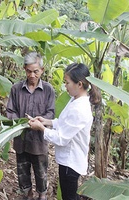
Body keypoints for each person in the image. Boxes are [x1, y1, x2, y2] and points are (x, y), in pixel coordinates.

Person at [28, 63, 101, 200]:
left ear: (79, 84)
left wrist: (41, 128)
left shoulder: (79, 109)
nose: (65, 86)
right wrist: (46, 121)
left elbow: (61, 138)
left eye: (67, 83)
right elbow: (64, 123)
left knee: (69, 196)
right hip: (69, 161)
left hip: (71, 162)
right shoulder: (75, 100)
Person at [6, 52, 55, 200]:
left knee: (41, 172)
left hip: (39, 141)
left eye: (36, 71)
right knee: (22, 171)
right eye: (28, 71)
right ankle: (26, 194)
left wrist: (39, 122)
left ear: (42, 70)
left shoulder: (48, 90)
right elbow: (10, 111)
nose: (32, 75)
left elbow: (51, 113)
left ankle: (42, 195)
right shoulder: (16, 88)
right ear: (24, 69)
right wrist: (21, 122)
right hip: (21, 140)